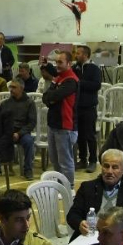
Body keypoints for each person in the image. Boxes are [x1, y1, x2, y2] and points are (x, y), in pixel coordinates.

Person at [66, 149, 123, 239]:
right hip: (89, 237)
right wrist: (79, 224)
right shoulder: (87, 187)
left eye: (115, 167)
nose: (109, 171)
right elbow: (72, 215)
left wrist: (122, 238)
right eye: (106, 166)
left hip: (119, 241)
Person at [42, 50, 80, 184]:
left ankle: (69, 188)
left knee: (65, 161)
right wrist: (51, 99)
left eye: (60, 62)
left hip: (65, 127)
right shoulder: (58, 78)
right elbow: (46, 97)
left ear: (69, 63)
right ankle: (60, 186)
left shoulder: (71, 81)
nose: (57, 65)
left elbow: (54, 96)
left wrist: (51, 98)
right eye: (56, 61)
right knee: (54, 160)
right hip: (53, 125)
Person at [73, 45, 103, 173]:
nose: (76, 55)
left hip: (89, 107)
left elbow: (96, 85)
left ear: (85, 55)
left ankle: (93, 161)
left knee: (90, 135)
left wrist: (79, 83)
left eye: (78, 53)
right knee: (79, 135)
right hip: (77, 107)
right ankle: (83, 160)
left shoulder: (94, 69)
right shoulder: (75, 68)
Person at [2, 78, 38, 179]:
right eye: (10, 87)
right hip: (8, 132)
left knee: (29, 141)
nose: (11, 90)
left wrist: (19, 133)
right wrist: (8, 133)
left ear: (21, 89)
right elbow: (1, 121)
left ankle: (28, 170)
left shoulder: (29, 103)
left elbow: (32, 123)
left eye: (14, 87)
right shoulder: (5, 103)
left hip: (23, 133)